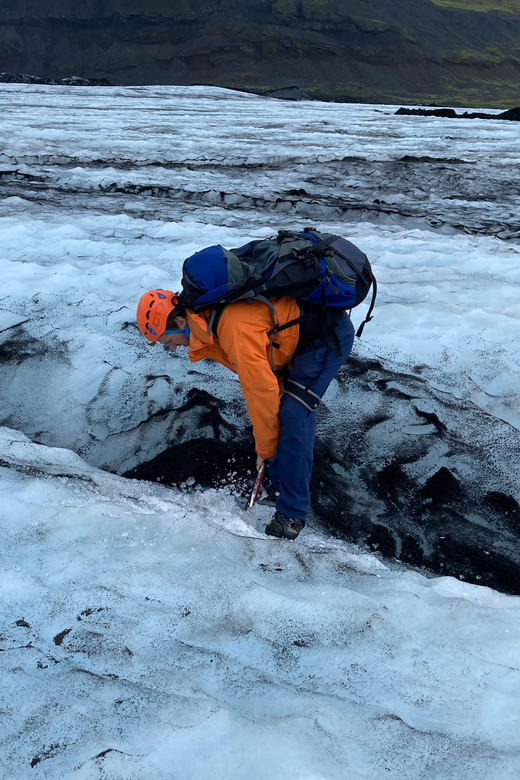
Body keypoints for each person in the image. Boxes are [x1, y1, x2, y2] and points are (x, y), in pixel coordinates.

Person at [136, 289, 355, 539]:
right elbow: (263, 371)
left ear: (179, 322)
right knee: (283, 413)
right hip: (292, 344)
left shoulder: (231, 328)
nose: (173, 348)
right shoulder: (209, 326)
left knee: (295, 413)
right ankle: (280, 484)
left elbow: (260, 391)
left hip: (325, 336)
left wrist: (265, 451)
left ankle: (292, 514)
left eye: (168, 341)